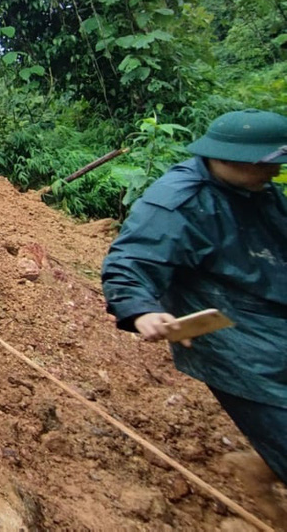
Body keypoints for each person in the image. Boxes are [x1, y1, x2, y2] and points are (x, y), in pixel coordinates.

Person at [101, 109, 287, 508]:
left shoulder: (260, 192)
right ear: (232, 157)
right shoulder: (178, 202)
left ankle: (263, 466)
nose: (272, 174)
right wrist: (141, 309)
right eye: (265, 166)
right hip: (234, 341)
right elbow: (129, 261)